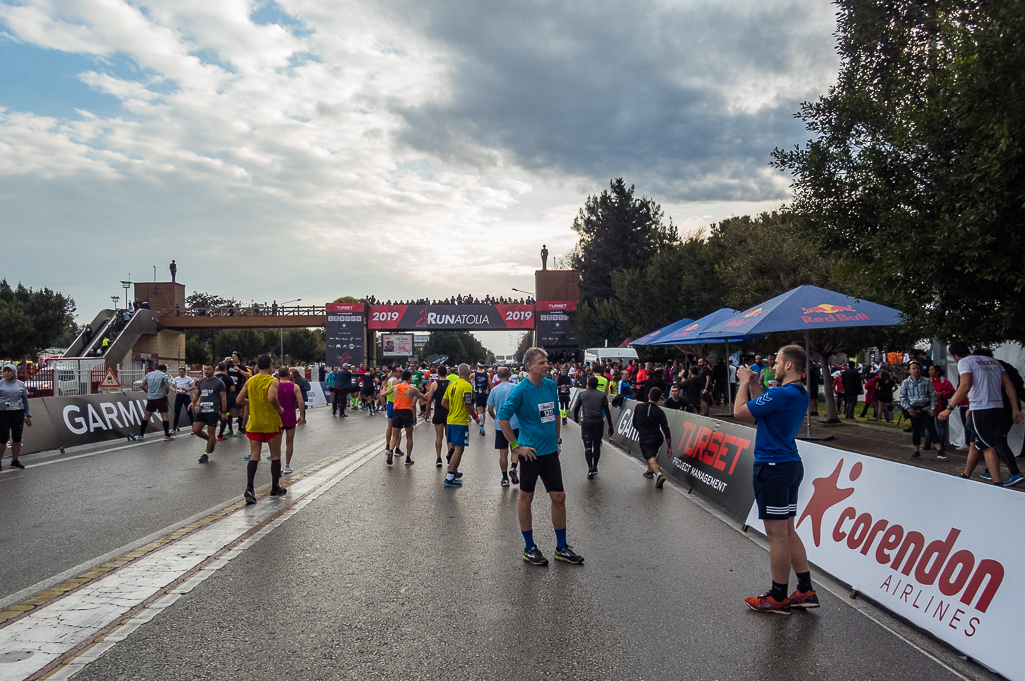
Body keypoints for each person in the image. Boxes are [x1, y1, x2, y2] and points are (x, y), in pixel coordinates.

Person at [734, 344, 818, 614]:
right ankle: (805, 589)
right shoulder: (797, 393)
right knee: (788, 530)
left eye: (777, 362)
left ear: (789, 366)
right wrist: (756, 385)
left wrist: (744, 383)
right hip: (789, 464)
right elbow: (763, 407)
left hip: (773, 466)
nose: (772, 365)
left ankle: (778, 594)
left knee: (777, 535)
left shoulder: (782, 394)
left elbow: (740, 413)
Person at [497, 347, 583, 566]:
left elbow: (554, 413)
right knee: (526, 498)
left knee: (559, 497)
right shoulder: (520, 390)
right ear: (529, 366)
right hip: (531, 454)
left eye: (547, 362)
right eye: (542, 362)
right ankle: (529, 548)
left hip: (550, 452)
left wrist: (557, 439)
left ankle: (561, 547)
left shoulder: (550, 385)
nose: (547, 365)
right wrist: (516, 446)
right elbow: (502, 418)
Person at [941, 343, 1023, 485]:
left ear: (955, 356)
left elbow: (965, 385)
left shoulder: (964, 362)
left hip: (981, 408)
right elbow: (1009, 385)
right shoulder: (994, 362)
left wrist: (950, 407)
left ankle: (997, 483)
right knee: (975, 442)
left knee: (987, 446)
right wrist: (1015, 408)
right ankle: (966, 474)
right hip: (998, 407)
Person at [236, 354, 286, 504]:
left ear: (257, 366)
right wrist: (279, 408)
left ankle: (250, 488)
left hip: (255, 423)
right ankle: (275, 487)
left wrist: (252, 402)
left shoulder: (251, 380)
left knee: (254, 456)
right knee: (275, 455)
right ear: (270, 366)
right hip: (270, 422)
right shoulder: (273, 381)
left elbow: (239, 400)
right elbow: (271, 397)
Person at [898, 361, 945, 460]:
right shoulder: (905, 383)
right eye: (913, 369)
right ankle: (916, 451)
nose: (916, 370)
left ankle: (940, 450)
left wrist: (933, 408)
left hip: (926, 408)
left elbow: (932, 395)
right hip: (914, 409)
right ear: (909, 371)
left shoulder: (926, 381)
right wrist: (909, 409)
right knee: (916, 431)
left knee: (932, 429)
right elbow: (903, 398)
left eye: (917, 368)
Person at [441, 364, 478, 486]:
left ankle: (454, 469)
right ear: (468, 372)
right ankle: (450, 476)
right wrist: (475, 417)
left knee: (453, 447)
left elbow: (443, 402)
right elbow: (468, 404)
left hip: (450, 420)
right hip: (460, 422)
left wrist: (453, 409)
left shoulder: (452, 385)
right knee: (459, 449)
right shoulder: (467, 386)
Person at [571, 376, 614, 479]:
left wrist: (576, 417)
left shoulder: (582, 395)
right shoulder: (602, 395)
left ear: (588, 383)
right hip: (598, 422)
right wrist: (610, 425)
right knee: (597, 446)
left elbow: (576, 408)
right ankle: (595, 466)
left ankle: (590, 468)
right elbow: (607, 411)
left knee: (588, 446)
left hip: (587, 422)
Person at [381, 370, 424, 465]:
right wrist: (429, 390)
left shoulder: (395, 387)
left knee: (395, 435)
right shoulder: (412, 388)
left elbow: (382, 394)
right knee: (409, 436)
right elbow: (424, 397)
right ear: (410, 378)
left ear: (401, 378)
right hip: (407, 412)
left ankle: (391, 451)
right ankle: (408, 458)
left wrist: (384, 387)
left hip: (397, 412)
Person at [631, 386, 671, 488]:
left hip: (646, 438)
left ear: (648, 396)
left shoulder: (638, 407)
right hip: (658, 438)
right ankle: (649, 471)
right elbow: (666, 429)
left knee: (651, 458)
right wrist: (669, 447)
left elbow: (634, 424)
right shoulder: (660, 412)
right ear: (659, 399)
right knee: (652, 454)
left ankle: (658, 475)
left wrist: (642, 429)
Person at [487, 367, 520, 486]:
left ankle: (504, 478)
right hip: (514, 423)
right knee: (515, 448)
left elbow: (489, 409)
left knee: (503, 452)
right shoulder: (516, 388)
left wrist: (495, 417)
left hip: (500, 425)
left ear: (498, 376)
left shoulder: (494, 390)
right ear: (509, 375)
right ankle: (514, 467)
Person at [191, 363, 227, 464]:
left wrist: (223, 412)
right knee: (196, 430)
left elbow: (223, 398)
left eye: (209, 369)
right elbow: (197, 394)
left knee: (211, 431)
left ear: (213, 370)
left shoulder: (219, 383)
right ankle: (211, 441)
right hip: (202, 410)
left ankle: (206, 454)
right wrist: (192, 402)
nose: (206, 371)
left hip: (213, 411)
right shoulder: (201, 382)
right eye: (205, 369)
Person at [0, 364, 31, 470]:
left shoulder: (20, 384)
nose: (6, 373)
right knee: (3, 437)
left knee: (17, 437)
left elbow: (25, 400)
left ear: (14, 372)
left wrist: (28, 414)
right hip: (3, 413)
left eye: (9, 371)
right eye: (5, 371)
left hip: (18, 413)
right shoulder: (0, 384)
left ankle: (15, 460)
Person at [277, 366, 305, 474]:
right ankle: (287, 466)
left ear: (278, 375)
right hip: (290, 417)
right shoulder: (295, 386)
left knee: (277, 444)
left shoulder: (275, 385)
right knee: (289, 442)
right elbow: (301, 401)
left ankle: (278, 466)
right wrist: (301, 415)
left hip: (278, 417)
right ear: (289, 375)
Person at [425, 366, 453, 467]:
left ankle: (438, 458)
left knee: (439, 436)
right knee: (449, 437)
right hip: (448, 412)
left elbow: (429, 399)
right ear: (446, 373)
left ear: (438, 374)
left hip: (438, 412)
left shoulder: (434, 384)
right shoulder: (451, 384)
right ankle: (450, 457)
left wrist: (427, 412)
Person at [137, 364, 173, 441]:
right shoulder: (164, 375)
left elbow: (142, 385)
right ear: (164, 370)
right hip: (160, 398)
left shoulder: (149, 374)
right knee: (165, 417)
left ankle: (141, 434)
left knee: (146, 416)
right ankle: (166, 435)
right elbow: (166, 387)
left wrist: (148, 391)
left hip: (151, 398)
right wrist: (166, 394)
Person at [924, 365, 955, 452]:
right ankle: (927, 443)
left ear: (937, 372)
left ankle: (941, 444)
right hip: (929, 405)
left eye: (931, 370)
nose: (929, 372)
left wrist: (942, 394)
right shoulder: (927, 381)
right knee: (929, 424)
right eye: (929, 370)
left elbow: (951, 391)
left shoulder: (944, 381)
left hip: (941, 405)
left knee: (941, 425)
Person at [171, 366, 195, 433]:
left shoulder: (188, 378)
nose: (181, 373)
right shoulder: (176, 379)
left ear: (185, 372)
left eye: (182, 372)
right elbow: (171, 386)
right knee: (177, 412)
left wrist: (186, 390)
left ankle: (194, 428)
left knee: (189, 411)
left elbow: (193, 386)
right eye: (180, 372)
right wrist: (175, 390)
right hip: (178, 395)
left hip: (186, 396)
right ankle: (174, 428)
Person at [472, 364, 491, 436]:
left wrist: (472, 389)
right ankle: (482, 426)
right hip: (484, 393)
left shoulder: (474, 374)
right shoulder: (487, 374)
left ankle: (482, 427)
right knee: (483, 411)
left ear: (477, 366)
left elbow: (471, 381)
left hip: (478, 393)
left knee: (479, 411)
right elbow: (490, 384)